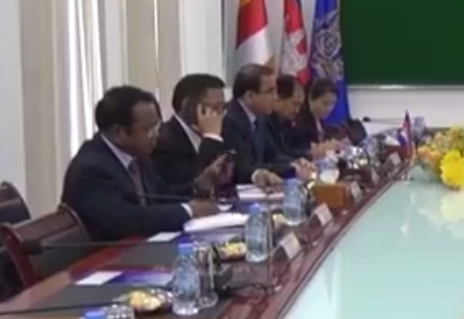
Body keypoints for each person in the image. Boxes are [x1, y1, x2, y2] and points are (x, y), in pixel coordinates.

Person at [62, 86, 219, 241]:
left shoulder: (137, 155)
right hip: (109, 253)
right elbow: (126, 219)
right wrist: (188, 210)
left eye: (157, 126)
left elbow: (161, 195)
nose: (156, 135)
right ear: (118, 133)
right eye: (148, 129)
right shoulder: (91, 169)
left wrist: (198, 186)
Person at [222, 64, 311, 186]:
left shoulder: (260, 117)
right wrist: (290, 169)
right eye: (270, 91)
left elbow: (272, 155)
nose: (275, 97)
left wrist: (296, 163)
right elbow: (241, 167)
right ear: (250, 96)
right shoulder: (230, 120)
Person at [151, 73, 230, 193]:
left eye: (223, 107)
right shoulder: (165, 140)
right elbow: (193, 182)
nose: (221, 114)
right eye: (215, 107)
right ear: (188, 107)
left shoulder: (223, 130)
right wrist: (211, 137)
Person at [285, 79, 345, 160]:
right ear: (310, 99)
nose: (329, 109)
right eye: (325, 104)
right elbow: (299, 150)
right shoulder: (300, 124)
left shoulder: (321, 122)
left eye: (332, 104)